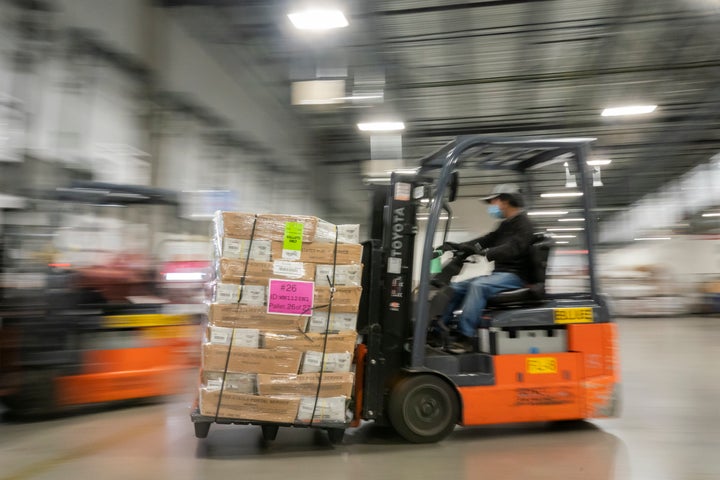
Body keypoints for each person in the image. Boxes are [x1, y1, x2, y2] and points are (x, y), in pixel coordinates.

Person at [441, 183, 535, 353]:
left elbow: (513, 248)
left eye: (493, 202)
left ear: (505, 201)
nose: (492, 206)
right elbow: (487, 239)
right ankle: (439, 327)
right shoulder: (506, 224)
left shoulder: (524, 225)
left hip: (516, 276)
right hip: (500, 274)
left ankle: (465, 337)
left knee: (478, 286)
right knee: (456, 287)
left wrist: (484, 252)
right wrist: (461, 246)